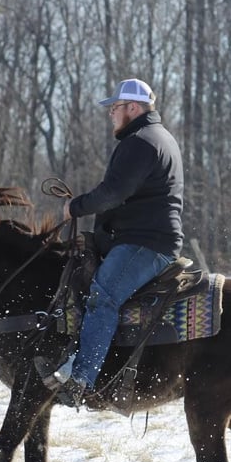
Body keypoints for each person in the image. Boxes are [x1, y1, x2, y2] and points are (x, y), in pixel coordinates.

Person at [49, 78, 185, 406]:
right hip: (144, 239)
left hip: (146, 243)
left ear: (133, 108)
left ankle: (81, 379)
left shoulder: (141, 141)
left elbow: (112, 194)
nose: (111, 113)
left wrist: (74, 207)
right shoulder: (155, 137)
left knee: (104, 296)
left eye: (115, 107)